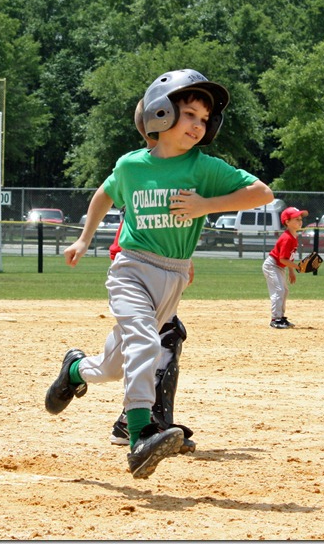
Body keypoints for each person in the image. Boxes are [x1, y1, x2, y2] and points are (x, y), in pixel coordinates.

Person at [44, 69, 273, 479]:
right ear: (160, 112)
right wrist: (83, 238)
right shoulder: (132, 166)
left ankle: (74, 370)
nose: (198, 125)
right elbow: (104, 194)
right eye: (190, 114)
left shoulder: (203, 167)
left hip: (173, 277)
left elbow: (262, 193)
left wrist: (206, 206)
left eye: (205, 119)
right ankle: (139, 435)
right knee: (147, 344)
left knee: (113, 367)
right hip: (131, 269)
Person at [107, 100, 196, 454]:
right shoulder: (141, 167)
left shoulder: (166, 166)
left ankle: (81, 375)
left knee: (124, 351)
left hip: (158, 267)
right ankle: (143, 422)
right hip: (137, 265)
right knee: (163, 336)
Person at [262, 206, 308, 329]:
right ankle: (275, 319)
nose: (300, 221)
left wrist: (292, 271)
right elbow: (282, 259)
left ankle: (281, 317)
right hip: (272, 265)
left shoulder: (294, 237)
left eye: (300, 219)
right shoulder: (287, 238)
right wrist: (298, 266)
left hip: (279, 266)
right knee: (279, 290)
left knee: (284, 291)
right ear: (287, 222)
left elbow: (289, 257)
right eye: (296, 219)